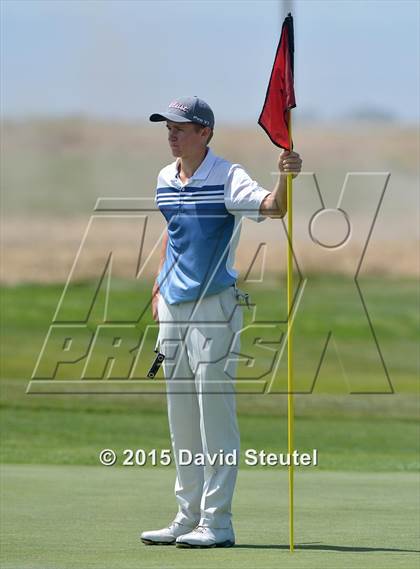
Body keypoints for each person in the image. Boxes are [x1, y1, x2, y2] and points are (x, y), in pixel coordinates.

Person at [140, 96, 302, 548]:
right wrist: (158, 285)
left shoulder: (227, 175)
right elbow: (173, 237)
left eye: (180, 128)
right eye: (167, 127)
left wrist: (285, 178)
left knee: (215, 414)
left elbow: (272, 208)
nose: (171, 135)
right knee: (182, 414)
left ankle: (218, 521)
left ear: (204, 133)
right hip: (172, 306)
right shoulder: (164, 178)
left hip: (214, 305)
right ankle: (186, 515)